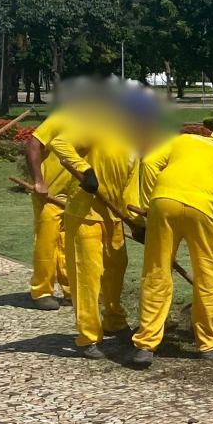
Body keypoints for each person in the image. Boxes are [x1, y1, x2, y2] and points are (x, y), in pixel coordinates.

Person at [129, 126, 213, 367]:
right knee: (206, 277)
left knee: (156, 273)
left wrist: (151, 205)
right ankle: (208, 344)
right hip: (203, 212)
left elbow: (149, 162)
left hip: (163, 205)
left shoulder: (183, 140)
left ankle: (146, 345)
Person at [49, 117, 138, 359]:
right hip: (84, 215)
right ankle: (88, 336)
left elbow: (130, 190)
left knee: (115, 270)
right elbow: (59, 142)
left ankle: (114, 321)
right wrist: (84, 169)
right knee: (87, 277)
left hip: (113, 218)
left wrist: (136, 223)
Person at [25, 105, 82, 309]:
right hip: (48, 193)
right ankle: (42, 290)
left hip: (74, 196)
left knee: (70, 244)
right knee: (47, 242)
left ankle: (71, 290)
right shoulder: (60, 119)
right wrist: (38, 181)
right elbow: (32, 145)